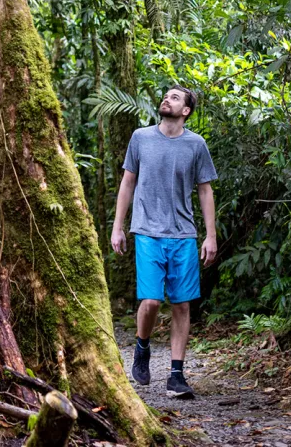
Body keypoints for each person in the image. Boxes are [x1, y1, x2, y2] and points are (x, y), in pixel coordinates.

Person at [110, 85, 217, 400]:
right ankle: (142, 347)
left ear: (186, 110)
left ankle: (176, 374)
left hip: (183, 234)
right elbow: (127, 182)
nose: (166, 99)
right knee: (153, 301)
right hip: (146, 231)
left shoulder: (196, 145)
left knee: (182, 305)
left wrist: (210, 235)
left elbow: (205, 190)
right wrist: (118, 227)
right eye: (165, 95)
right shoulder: (141, 138)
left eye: (175, 97)